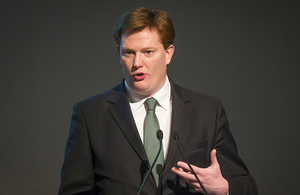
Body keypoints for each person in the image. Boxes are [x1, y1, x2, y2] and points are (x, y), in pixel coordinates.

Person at [58, 7, 258, 195]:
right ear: (119, 54)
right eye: (129, 53)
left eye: (148, 52)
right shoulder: (90, 115)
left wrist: (224, 188)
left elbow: (246, 185)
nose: (137, 63)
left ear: (168, 53)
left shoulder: (207, 111)